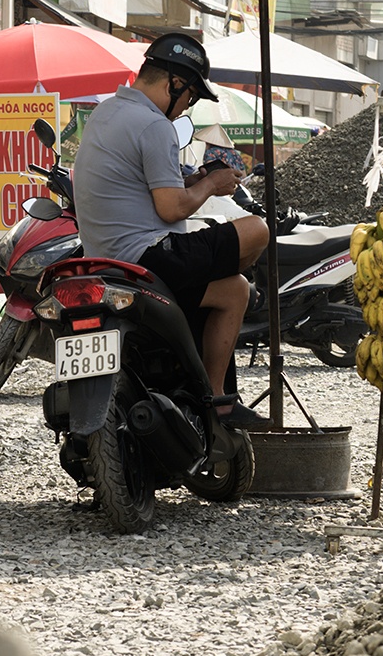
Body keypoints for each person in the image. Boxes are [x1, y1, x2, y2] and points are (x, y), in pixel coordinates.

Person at [73, 33, 270, 429]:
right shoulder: (153, 125)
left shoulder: (106, 113)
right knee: (257, 230)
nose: (185, 109)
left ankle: (213, 398)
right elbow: (171, 208)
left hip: (101, 258)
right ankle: (215, 403)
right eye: (190, 98)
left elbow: (142, 185)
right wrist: (211, 185)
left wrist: (193, 178)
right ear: (173, 85)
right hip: (148, 258)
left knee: (233, 290)